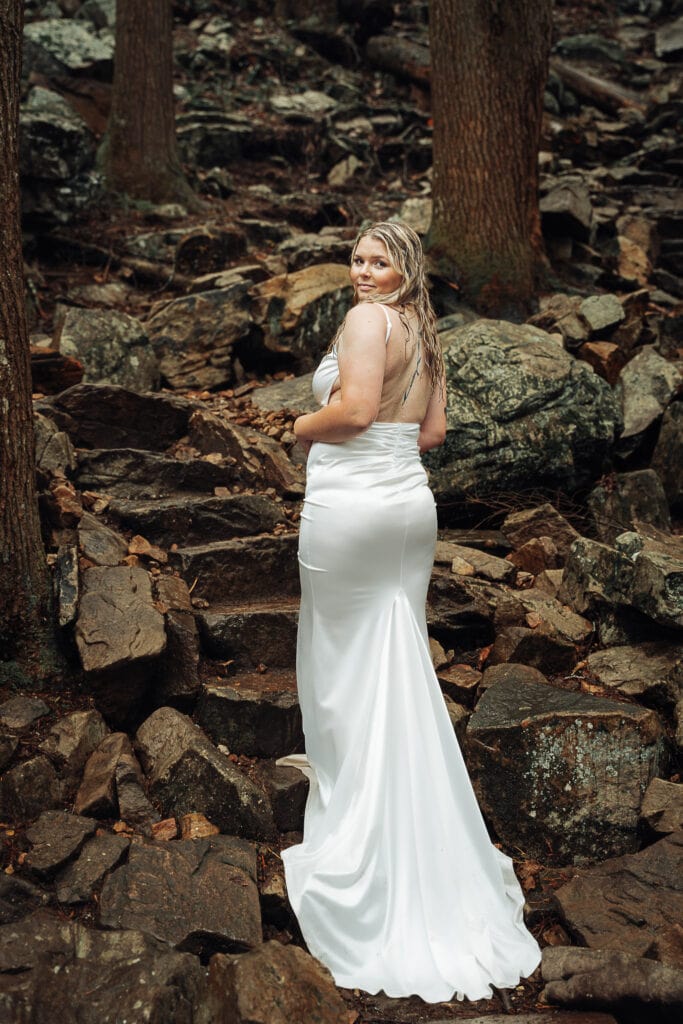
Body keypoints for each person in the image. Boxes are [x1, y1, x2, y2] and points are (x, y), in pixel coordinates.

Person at [277, 221, 541, 1003]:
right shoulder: (425, 333)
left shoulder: (365, 323)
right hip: (408, 511)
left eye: (377, 260)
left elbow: (353, 411)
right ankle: (427, 841)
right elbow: (433, 432)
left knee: (344, 667)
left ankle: (365, 834)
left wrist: (297, 428)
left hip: (353, 507)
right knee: (394, 662)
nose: (362, 271)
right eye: (355, 258)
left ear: (403, 267)